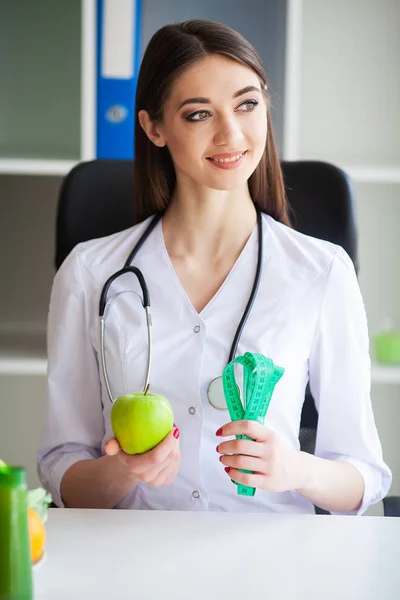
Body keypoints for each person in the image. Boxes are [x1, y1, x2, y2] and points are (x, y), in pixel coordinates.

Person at [37, 19, 391, 514]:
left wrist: (295, 469)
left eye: (247, 104)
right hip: (131, 560)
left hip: (270, 564)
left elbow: (363, 477)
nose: (231, 133)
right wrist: (124, 471)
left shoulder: (322, 271)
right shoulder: (90, 273)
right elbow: (62, 473)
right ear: (154, 128)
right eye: (199, 114)